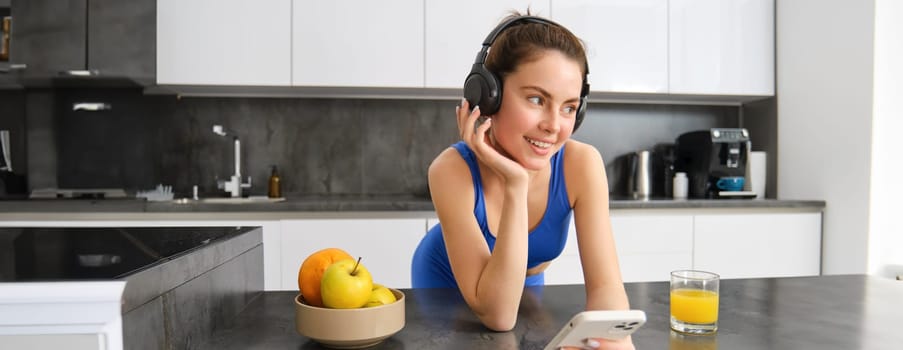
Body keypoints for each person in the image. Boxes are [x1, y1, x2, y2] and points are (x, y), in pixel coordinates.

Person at [411, 12, 635, 349]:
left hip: (521, 286)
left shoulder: (582, 164)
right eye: (536, 99)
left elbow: (606, 289)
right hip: (443, 288)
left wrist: (615, 340)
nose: (554, 125)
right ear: (490, 96)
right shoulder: (451, 170)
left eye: (569, 107)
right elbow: (498, 316)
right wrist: (516, 184)